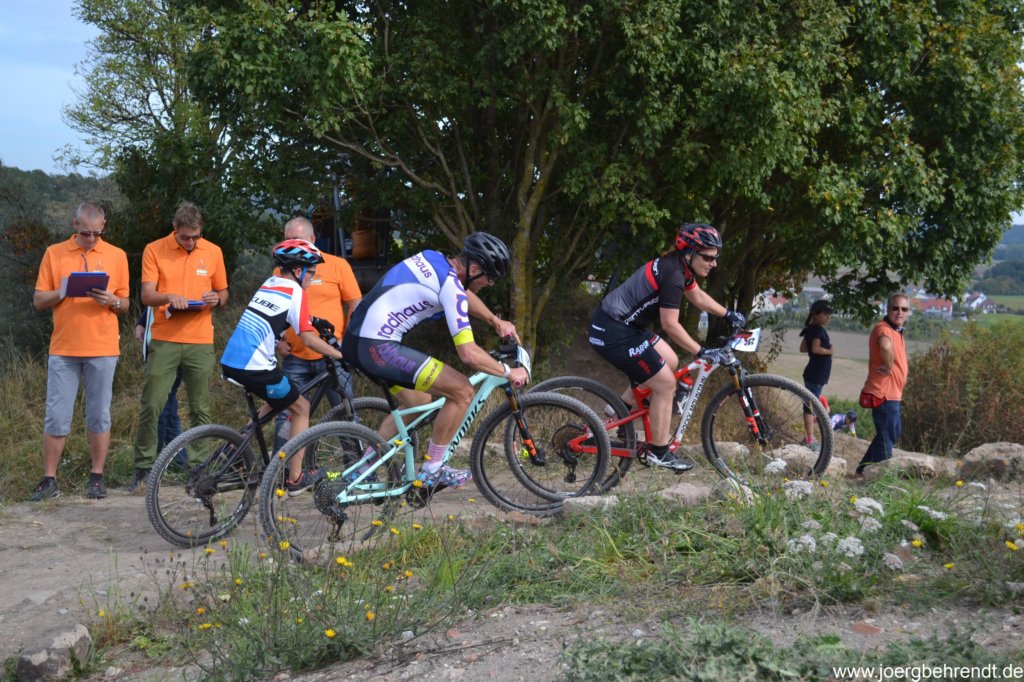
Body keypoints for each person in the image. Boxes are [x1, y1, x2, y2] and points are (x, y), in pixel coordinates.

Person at [341, 232, 528, 489]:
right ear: (474, 269)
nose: (490, 284)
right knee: (462, 391)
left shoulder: (433, 258)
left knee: (418, 403)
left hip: (356, 340)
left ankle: (361, 469)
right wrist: (508, 372)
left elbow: (460, 292)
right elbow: (468, 353)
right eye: (490, 277)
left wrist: (495, 321)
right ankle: (433, 469)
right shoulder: (451, 288)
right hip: (377, 347)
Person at [588, 223, 745, 471]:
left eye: (715, 257)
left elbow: (697, 296)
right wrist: (701, 351)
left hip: (626, 326)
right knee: (665, 385)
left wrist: (727, 314)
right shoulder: (673, 275)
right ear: (690, 252)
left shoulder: (679, 266)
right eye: (708, 257)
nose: (714, 263)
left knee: (670, 362)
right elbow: (670, 325)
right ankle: (658, 452)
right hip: (613, 331)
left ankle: (619, 410)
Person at [221, 239, 345, 493]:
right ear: (298, 270)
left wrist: (313, 320)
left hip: (232, 361)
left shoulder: (271, 283)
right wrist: (339, 355)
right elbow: (307, 338)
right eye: (311, 272)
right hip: (256, 366)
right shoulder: (296, 292)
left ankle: (231, 451)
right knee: (302, 408)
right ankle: (295, 478)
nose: (313, 277)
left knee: (277, 401)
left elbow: (281, 313)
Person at [31, 202, 129, 500]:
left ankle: (97, 477)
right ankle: (49, 479)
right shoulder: (54, 253)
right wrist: (63, 291)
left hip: (103, 347)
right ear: (74, 225)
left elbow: (125, 304)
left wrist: (111, 300)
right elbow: (39, 300)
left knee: (99, 414)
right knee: (56, 415)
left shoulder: (117, 255)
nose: (92, 239)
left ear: (103, 227)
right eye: (86, 233)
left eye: (97, 233)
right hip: (64, 348)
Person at [131, 201, 228, 492]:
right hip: (165, 339)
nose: (190, 242)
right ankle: (144, 468)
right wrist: (168, 297)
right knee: (152, 404)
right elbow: (147, 295)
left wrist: (216, 299)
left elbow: (224, 292)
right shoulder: (154, 249)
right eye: (185, 237)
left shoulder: (213, 251)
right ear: (174, 229)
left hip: (200, 340)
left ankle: (198, 469)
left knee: (200, 408)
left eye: (196, 237)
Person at [272, 217, 362, 448]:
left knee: (345, 413)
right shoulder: (281, 269)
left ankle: (356, 466)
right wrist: (278, 341)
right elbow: (275, 308)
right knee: (288, 414)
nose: (291, 244)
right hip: (295, 356)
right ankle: (281, 466)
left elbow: (355, 302)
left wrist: (346, 339)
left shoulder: (337, 265)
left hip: (331, 353)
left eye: (297, 239)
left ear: (312, 239)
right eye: (287, 239)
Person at [856, 293, 910, 476]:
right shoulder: (884, 329)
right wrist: (888, 366)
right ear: (888, 309)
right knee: (887, 439)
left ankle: (862, 471)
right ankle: (878, 478)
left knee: (888, 434)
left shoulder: (896, 330)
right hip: (884, 393)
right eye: (895, 308)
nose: (900, 312)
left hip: (892, 393)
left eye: (904, 309)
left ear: (908, 312)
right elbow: (885, 346)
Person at [134, 309, 184, 452]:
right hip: (158, 350)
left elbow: (172, 302)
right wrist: (143, 321)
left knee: (160, 409)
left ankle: (155, 460)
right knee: (168, 409)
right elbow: (155, 302)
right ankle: (180, 458)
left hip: (170, 350)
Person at [799, 299, 834, 449]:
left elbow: (803, 348)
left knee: (810, 403)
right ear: (815, 314)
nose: (828, 318)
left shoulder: (810, 329)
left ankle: (809, 437)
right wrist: (829, 351)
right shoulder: (818, 330)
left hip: (814, 373)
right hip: (816, 374)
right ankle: (810, 439)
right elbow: (815, 349)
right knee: (809, 405)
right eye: (825, 314)